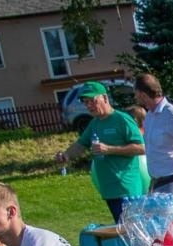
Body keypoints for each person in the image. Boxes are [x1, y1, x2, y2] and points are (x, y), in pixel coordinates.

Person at [55, 82, 149, 222]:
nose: (89, 105)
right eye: (85, 102)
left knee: (134, 230)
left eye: (92, 101)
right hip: (109, 191)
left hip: (126, 189)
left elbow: (142, 148)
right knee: (122, 231)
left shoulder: (122, 119)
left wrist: (109, 149)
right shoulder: (94, 123)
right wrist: (66, 155)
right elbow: (80, 145)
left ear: (105, 98)